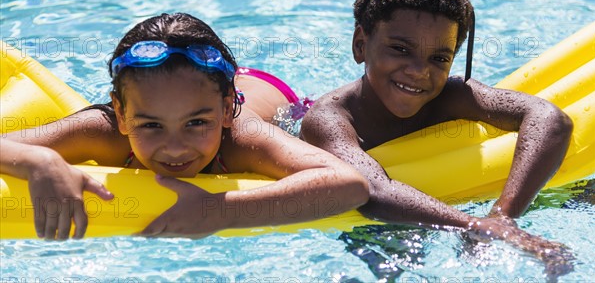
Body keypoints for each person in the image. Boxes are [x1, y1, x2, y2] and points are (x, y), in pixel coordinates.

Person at [300, 0, 574, 272]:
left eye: (439, 58)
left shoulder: (451, 97)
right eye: (401, 49)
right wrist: (475, 226)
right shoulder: (329, 119)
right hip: (368, 220)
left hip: (452, 207)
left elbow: (550, 119)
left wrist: (503, 216)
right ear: (361, 44)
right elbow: (369, 190)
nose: (419, 71)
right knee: (397, 262)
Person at [0, 13, 369, 240]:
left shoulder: (241, 137)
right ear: (122, 113)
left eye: (196, 124)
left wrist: (219, 210)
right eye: (151, 126)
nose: (175, 147)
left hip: (268, 93)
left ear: (226, 111)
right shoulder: (101, 131)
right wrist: (41, 162)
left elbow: (348, 184)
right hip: (200, 87)